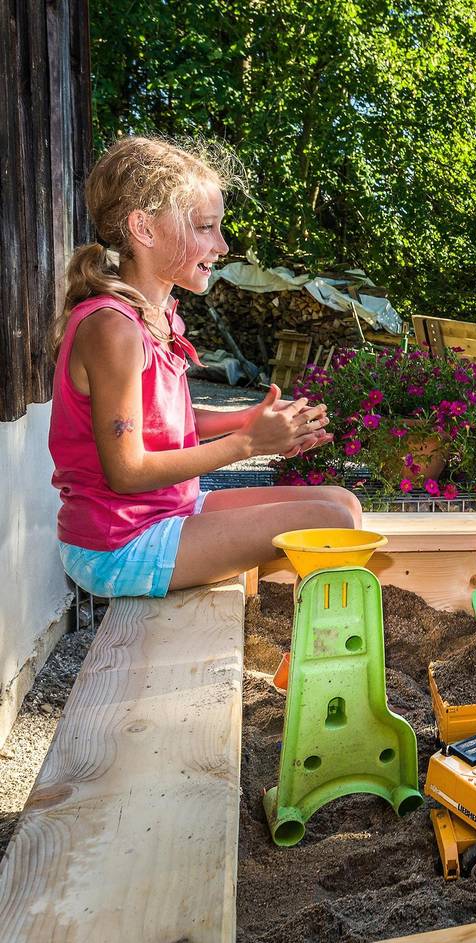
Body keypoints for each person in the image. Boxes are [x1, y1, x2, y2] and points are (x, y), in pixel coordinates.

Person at [50, 136, 359, 600]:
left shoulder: (154, 315)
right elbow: (127, 470)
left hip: (169, 513)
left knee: (342, 504)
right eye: (205, 227)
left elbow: (161, 428)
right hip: (119, 545)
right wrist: (248, 444)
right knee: (330, 522)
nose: (222, 244)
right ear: (144, 229)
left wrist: (249, 420)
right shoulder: (112, 328)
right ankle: (314, 645)